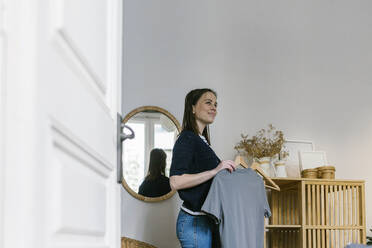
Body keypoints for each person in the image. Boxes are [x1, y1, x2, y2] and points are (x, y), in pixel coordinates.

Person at [169, 88, 236, 248]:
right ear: (192, 108)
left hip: (203, 222)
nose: (214, 107)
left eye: (215, 104)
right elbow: (175, 181)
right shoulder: (187, 138)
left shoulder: (201, 141)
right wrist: (215, 171)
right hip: (194, 223)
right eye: (208, 102)